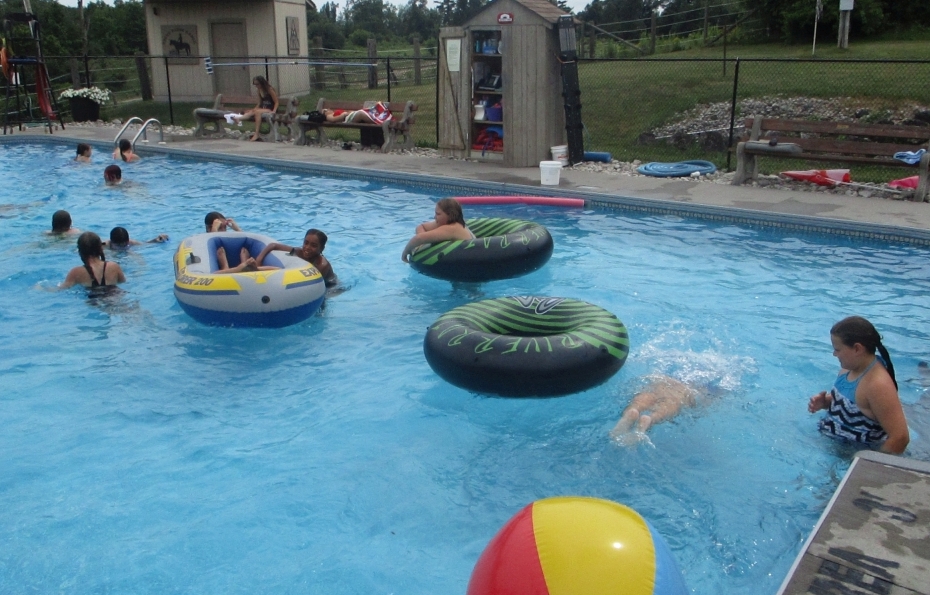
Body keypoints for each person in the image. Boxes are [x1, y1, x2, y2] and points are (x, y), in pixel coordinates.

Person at [808, 316, 909, 454]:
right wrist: (827, 402)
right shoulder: (849, 368)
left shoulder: (877, 385)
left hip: (853, 453)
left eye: (837, 349)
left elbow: (900, 438)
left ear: (857, 348)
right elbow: (854, 404)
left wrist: (866, 465)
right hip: (834, 443)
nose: (834, 354)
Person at [610, 375, 704, 445]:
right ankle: (650, 420)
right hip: (688, 390)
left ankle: (632, 411)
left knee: (649, 396)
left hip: (663, 378)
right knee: (670, 404)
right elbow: (705, 399)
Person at [254, 228, 338, 287]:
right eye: (306, 243)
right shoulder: (299, 252)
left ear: (322, 249)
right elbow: (273, 245)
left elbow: (312, 284)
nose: (307, 247)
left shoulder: (322, 265)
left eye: (314, 245)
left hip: (330, 285)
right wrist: (259, 259)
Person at [401, 198, 474, 263]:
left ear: (450, 215)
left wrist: (405, 252)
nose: (434, 217)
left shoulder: (452, 229)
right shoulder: (452, 223)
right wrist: (423, 244)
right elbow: (421, 227)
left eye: (438, 214)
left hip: (468, 261)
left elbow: (418, 238)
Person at [60, 231, 126, 289]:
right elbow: (123, 282)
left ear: (80, 251)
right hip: (114, 297)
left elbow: (62, 288)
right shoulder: (114, 266)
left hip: (93, 300)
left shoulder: (76, 272)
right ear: (100, 248)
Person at [235, 76, 278, 142]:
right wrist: (253, 109)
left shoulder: (269, 89)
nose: (256, 86)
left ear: (262, 83)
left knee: (257, 112)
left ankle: (256, 133)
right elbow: (260, 102)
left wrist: (274, 111)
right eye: (255, 84)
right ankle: (238, 118)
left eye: (257, 84)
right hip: (263, 108)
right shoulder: (259, 90)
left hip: (270, 109)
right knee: (254, 111)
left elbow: (276, 102)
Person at [104, 226, 169, 249]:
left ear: (128, 241)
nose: (121, 248)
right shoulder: (105, 245)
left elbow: (144, 244)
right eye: (119, 246)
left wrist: (156, 240)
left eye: (124, 245)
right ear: (111, 242)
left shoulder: (131, 242)